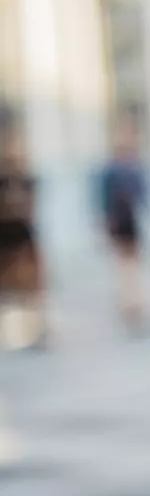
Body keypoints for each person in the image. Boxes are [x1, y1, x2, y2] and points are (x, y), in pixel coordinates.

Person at [98, 112, 150, 336]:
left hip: (132, 220)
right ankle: (128, 303)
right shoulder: (111, 170)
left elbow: (144, 193)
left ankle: (137, 302)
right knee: (123, 264)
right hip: (118, 221)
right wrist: (105, 220)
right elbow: (103, 198)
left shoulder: (134, 166)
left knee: (135, 263)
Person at [0, 125, 46, 351]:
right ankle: (13, 331)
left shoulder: (28, 178)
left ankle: (34, 329)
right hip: (5, 237)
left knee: (31, 285)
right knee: (8, 286)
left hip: (24, 235)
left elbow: (32, 208)